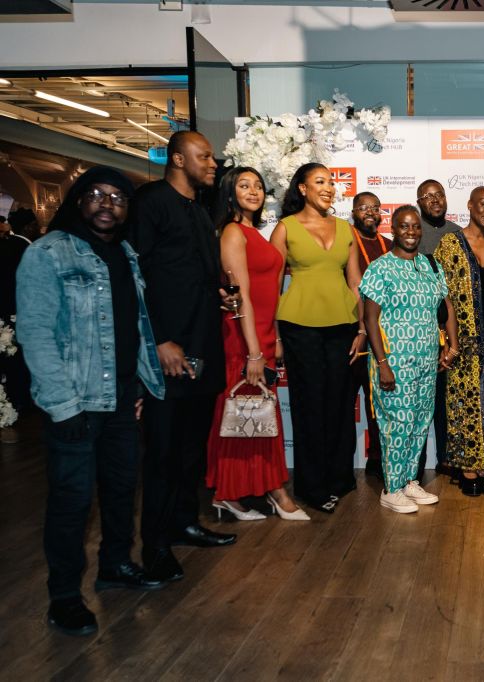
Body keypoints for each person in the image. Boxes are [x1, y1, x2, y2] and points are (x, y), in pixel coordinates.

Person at [16, 167, 166, 636]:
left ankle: (116, 564)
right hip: (75, 400)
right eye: (97, 195)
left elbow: (133, 327)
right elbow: (36, 333)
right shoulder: (49, 254)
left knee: (122, 489)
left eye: (119, 198)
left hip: (120, 397)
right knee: (72, 502)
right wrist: (63, 405)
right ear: (79, 200)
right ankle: (64, 597)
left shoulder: (124, 253)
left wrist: (139, 387)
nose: (108, 204)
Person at [130, 131, 236, 584]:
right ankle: (153, 545)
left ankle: (183, 523)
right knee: (162, 454)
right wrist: (156, 339)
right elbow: (135, 275)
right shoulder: (151, 202)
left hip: (202, 348)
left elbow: (192, 273)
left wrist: (221, 295)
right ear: (177, 158)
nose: (213, 164)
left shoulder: (198, 210)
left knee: (190, 450)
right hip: (167, 351)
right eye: (204, 156)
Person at [205, 167, 309, 522]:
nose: (253, 191)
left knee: (255, 418)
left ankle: (242, 492)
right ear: (229, 193)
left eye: (258, 186)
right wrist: (253, 351)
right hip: (242, 339)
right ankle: (248, 492)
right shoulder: (233, 233)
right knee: (243, 417)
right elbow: (241, 296)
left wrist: (274, 337)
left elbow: (271, 292)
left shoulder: (255, 232)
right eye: (243, 185)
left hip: (261, 335)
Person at [270, 163, 366, 514]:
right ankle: (312, 487)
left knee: (340, 404)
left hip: (342, 326)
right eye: (319, 182)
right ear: (302, 189)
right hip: (299, 325)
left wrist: (362, 329)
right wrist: (275, 335)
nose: (328, 188)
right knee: (309, 405)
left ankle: (340, 478)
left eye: (331, 182)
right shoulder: (285, 228)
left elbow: (356, 282)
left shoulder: (345, 229)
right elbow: (272, 283)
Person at [361, 205, 459, 513]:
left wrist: (450, 345)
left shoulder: (431, 267)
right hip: (393, 362)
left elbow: (447, 307)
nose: (411, 232)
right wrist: (382, 363)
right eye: (404, 226)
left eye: (416, 227)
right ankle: (391, 488)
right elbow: (370, 318)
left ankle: (408, 482)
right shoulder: (380, 268)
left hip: (426, 362)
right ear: (393, 229)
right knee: (397, 424)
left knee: (419, 422)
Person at [434, 186, 484, 497]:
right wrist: (446, 341)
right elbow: (440, 295)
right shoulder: (450, 244)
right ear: (469, 206)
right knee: (465, 404)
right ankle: (469, 466)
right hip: (462, 343)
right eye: (483, 203)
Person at [415, 179, 463, 478]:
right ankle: (413, 465)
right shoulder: (413, 232)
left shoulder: (457, 234)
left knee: (448, 400)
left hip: (451, 326)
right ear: (419, 202)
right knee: (420, 401)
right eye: (428, 196)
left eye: (440, 195)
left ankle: (447, 457)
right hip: (418, 330)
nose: (435, 200)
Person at [349, 191, 392, 481]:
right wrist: (360, 328)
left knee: (380, 402)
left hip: (384, 337)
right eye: (363, 207)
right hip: (352, 335)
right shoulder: (345, 243)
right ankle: (341, 465)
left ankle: (379, 456)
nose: (370, 212)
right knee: (345, 402)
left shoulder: (388, 246)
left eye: (375, 208)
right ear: (353, 211)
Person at [0, 214, 31, 444]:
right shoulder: (21, 246)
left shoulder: (14, 245)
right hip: (13, 309)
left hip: (9, 310)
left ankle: (15, 398)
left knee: (12, 357)